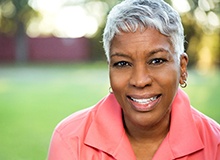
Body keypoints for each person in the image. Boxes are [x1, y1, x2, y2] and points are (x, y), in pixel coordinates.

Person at [48, 0, 220, 159]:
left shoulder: (215, 144)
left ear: (182, 68)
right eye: (122, 63)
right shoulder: (70, 139)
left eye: (157, 61)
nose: (139, 80)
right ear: (110, 69)